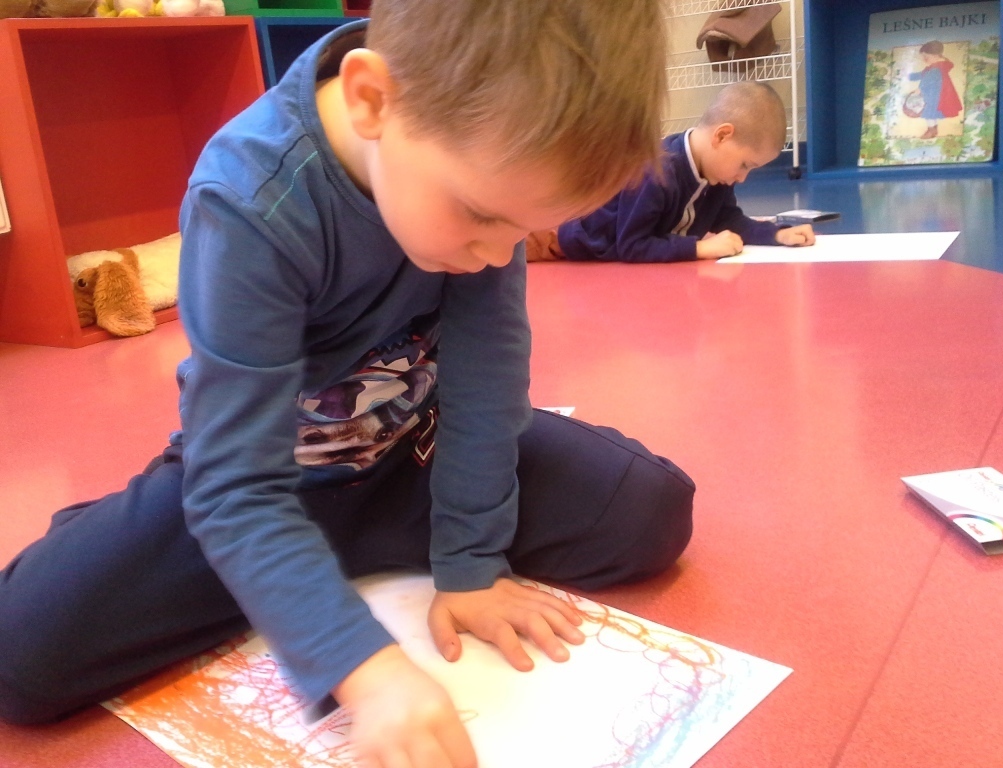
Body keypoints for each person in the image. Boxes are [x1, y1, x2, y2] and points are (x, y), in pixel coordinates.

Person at [0, 3, 696, 768]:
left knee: (651, 514)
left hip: (416, 456)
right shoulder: (252, 196)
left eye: (520, 231)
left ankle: (353, 548)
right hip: (270, 482)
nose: (499, 257)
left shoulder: (479, 174)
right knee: (21, 657)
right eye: (481, 218)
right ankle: (271, 551)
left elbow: (487, 382)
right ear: (371, 99)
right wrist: (363, 668)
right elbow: (238, 486)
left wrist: (471, 562)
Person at [526, 81, 816, 263]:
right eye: (744, 165)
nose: (742, 178)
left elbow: (729, 219)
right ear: (722, 135)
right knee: (509, 251)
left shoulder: (717, 176)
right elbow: (632, 245)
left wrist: (777, 234)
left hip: (590, 237)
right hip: (559, 233)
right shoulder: (657, 169)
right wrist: (699, 249)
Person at [908, 40, 962, 140]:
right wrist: (908, 76)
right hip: (933, 95)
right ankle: (933, 130)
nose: (924, 60)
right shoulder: (934, 67)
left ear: (935, 55)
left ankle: (931, 130)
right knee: (931, 114)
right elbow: (922, 74)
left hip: (934, 96)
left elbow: (928, 81)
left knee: (929, 114)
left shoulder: (936, 69)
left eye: (926, 57)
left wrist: (919, 89)